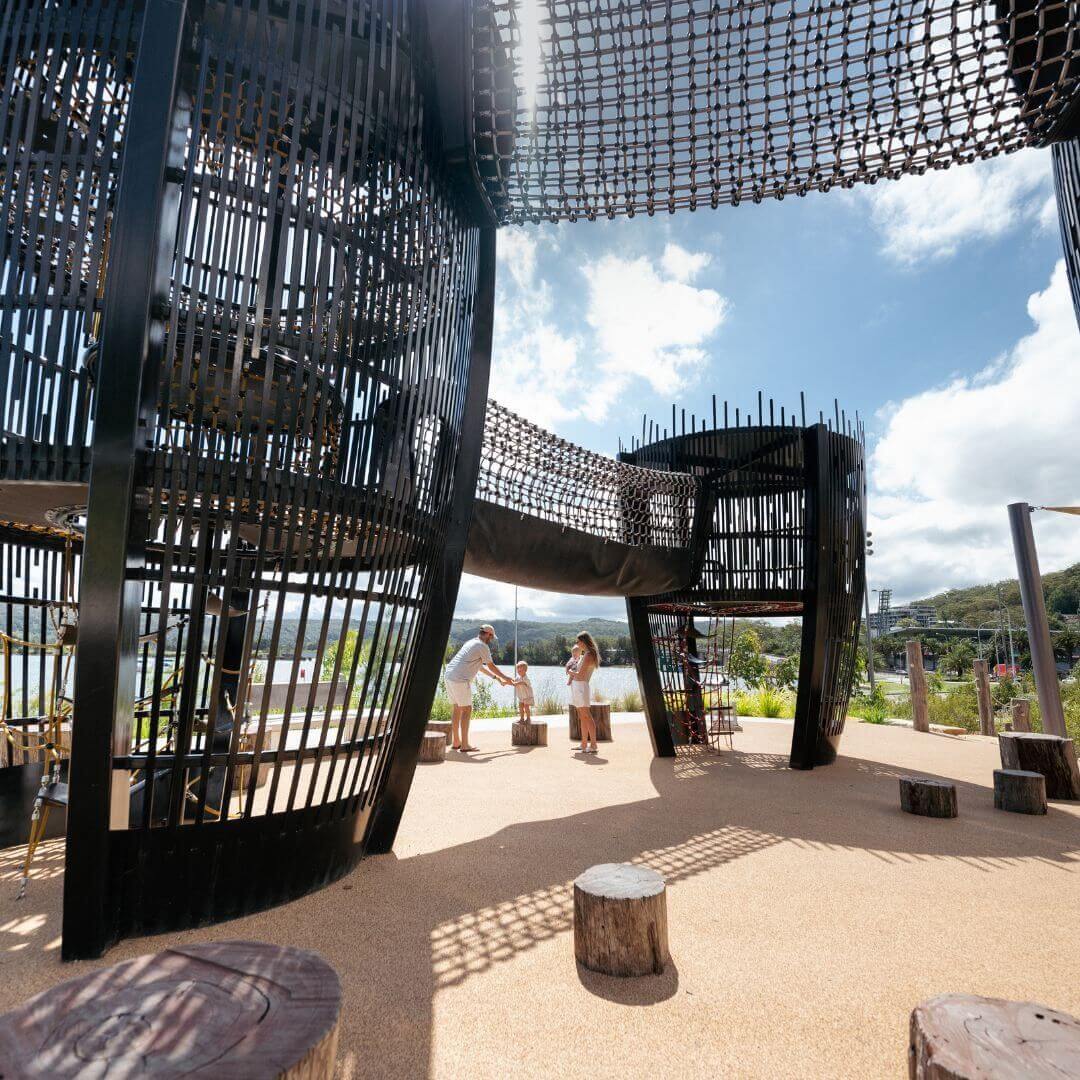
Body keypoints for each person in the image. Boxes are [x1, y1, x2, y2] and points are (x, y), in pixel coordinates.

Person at [443, 624, 512, 752]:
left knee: (457, 707)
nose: (491, 640)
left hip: (449, 676)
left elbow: (479, 666)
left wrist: (496, 678)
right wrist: (506, 677)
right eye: (491, 637)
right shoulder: (482, 646)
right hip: (460, 679)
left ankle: (456, 741)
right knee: (467, 709)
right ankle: (465, 745)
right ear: (488, 634)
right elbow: (491, 666)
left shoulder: (471, 642)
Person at [570, 631, 601, 754]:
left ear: (583, 641)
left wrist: (569, 672)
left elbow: (581, 675)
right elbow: (579, 673)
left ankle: (593, 745)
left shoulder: (589, 655)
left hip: (581, 687)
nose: (577, 644)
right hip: (578, 686)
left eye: (578, 641)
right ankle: (583, 744)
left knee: (586, 716)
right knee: (582, 717)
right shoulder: (585, 654)